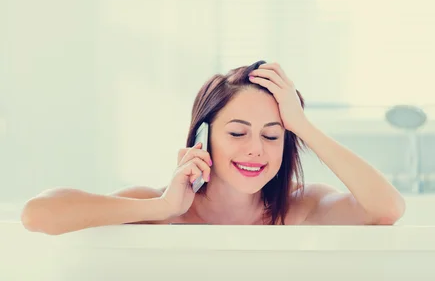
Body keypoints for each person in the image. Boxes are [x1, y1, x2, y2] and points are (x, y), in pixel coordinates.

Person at [20, 61, 406, 234]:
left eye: (272, 136)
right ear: (202, 138)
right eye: (238, 133)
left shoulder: (302, 209)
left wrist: (301, 125)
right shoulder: (157, 208)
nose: (256, 150)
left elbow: (387, 209)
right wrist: (165, 207)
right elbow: (38, 215)